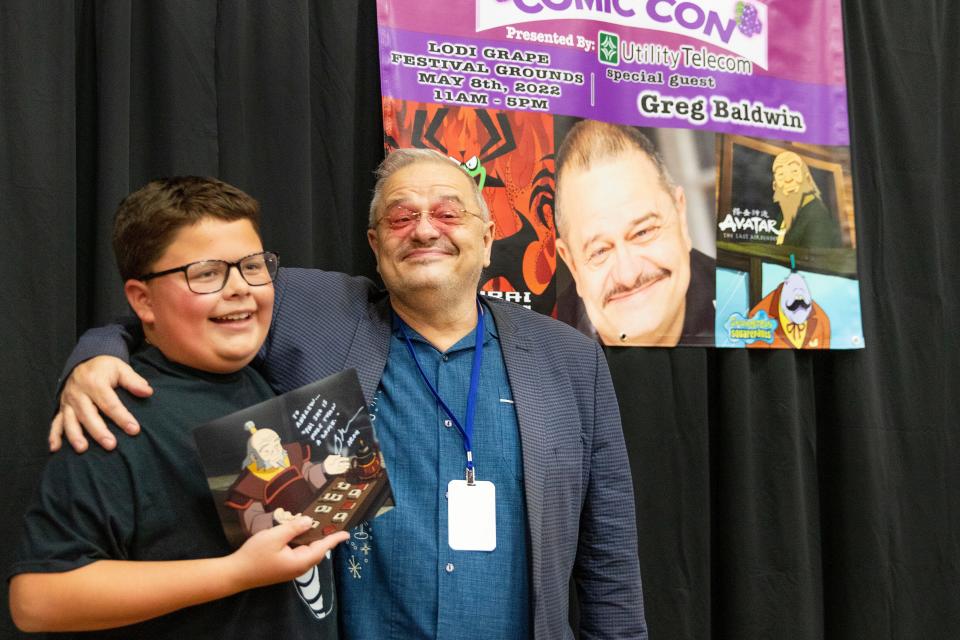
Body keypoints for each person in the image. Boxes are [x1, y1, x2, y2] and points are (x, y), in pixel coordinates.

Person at [50, 150, 647, 639]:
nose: (425, 229)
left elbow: (609, 553)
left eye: (448, 212)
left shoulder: (569, 358)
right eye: (400, 217)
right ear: (374, 242)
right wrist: (96, 356)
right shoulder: (316, 312)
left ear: (489, 239)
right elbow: (179, 305)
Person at [9, 177, 348, 636]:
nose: (240, 288)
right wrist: (235, 573)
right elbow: (37, 599)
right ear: (142, 300)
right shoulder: (114, 414)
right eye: (206, 273)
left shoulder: (263, 376)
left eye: (253, 265)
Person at [554, 119, 714, 347]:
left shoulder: (749, 307)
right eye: (600, 251)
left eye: (643, 232)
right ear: (572, 265)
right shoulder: (544, 346)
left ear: (681, 216)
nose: (628, 275)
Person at [772, 151, 842, 248]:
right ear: (775, 186)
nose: (788, 179)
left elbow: (816, 258)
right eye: (781, 175)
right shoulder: (786, 214)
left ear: (807, 179)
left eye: (794, 171)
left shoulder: (816, 213)